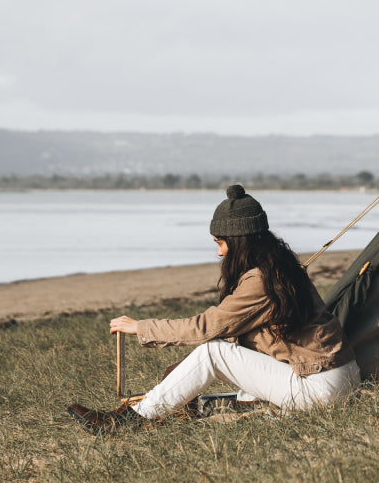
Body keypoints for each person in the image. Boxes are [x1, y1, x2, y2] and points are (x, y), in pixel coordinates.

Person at [67, 184, 359, 434]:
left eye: (221, 243)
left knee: (213, 351)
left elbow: (205, 327)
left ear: (239, 242)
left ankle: (128, 422)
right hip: (339, 378)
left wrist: (140, 327)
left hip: (320, 388)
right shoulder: (281, 267)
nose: (219, 252)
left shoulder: (262, 281)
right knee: (224, 357)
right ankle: (186, 404)